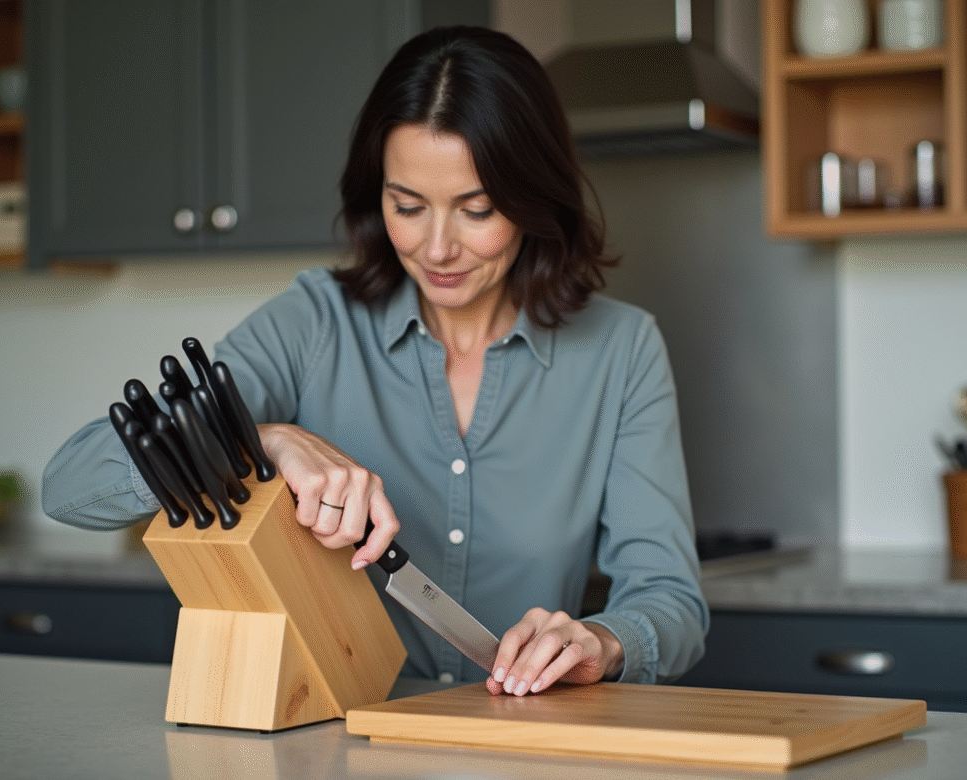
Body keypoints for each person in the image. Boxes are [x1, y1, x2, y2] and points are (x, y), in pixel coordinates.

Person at [42, 25, 707, 697]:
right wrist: (261, 441)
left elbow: (670, 600)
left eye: (477, 210)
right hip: (336, 741)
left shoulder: (622, 350)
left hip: (522, 745)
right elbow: (67, 485)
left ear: (535, 199)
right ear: (376, 194)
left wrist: (603, 641)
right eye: (407, 206)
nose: (437, 247)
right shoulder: (313, 323)